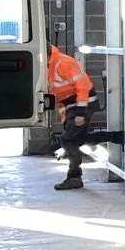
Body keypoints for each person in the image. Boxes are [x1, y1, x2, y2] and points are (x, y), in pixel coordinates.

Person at [47, 44, 94, 191]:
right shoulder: (51, 64)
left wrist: (80, 112)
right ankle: (117, 137)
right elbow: (60, 95)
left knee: (68, 140)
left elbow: (82, 86)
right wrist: (65, 117)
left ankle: (74, 178)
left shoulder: (63, 63)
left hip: (81, 104)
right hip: (73, 105)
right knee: (75, 139)